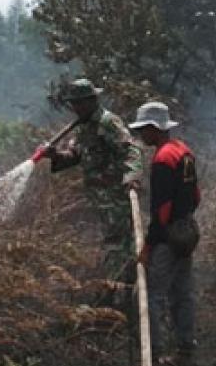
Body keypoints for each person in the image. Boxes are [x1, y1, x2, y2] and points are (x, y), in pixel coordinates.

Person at [31, 78, 143, 282]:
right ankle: (116, 284)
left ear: (91, 101)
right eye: (73, 104)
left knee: (119, 243)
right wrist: (53, 155)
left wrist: (132, 175)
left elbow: (131, 150)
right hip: (99, 199)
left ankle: (122, 285)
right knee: (111, 241)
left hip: (116, 197)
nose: (75, 108)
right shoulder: (83, 128)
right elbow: (74, 156)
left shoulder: (108, 122)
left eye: (79, 103)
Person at [128, 101, 201, 366]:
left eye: (144, 130)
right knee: (182, 293)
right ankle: (185, 350)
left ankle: (152, 361)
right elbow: (196, 196)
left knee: (149, 296)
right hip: (187, 232)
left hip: (168, 238)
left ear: (154, 129)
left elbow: (161, 211)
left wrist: (148, 246)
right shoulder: (184, 152)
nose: (141, 136)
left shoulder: (161, 160)